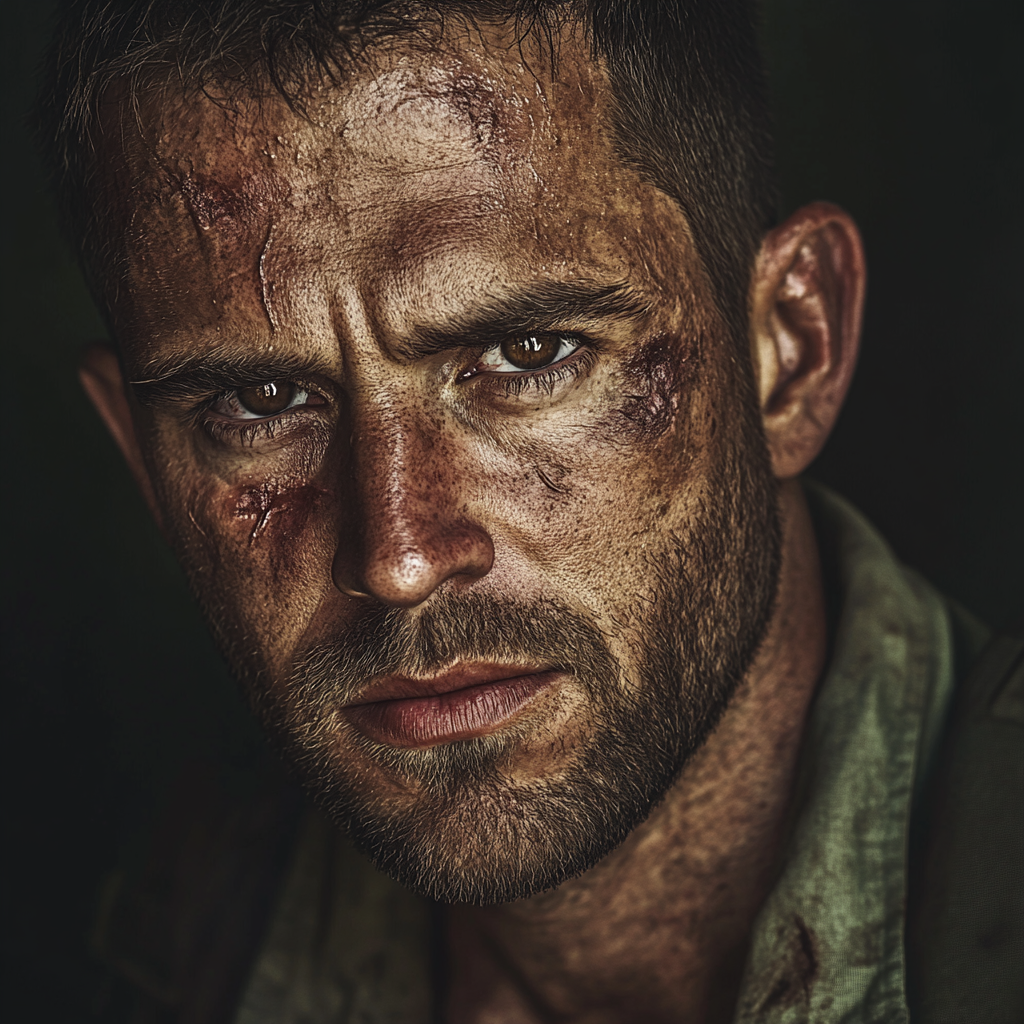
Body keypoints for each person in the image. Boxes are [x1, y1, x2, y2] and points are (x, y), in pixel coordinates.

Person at [34, 2, 1021, 1021]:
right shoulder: (152, 941)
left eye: (529, 356)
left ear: (789, 347)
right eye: (263, 403)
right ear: (144, 465)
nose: (401, 556)